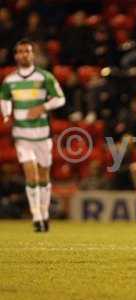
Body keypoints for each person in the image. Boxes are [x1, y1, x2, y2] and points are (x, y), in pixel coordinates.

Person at [0, 39, 65, 232]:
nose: (23, 55)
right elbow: (4, 99)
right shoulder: (9, 80)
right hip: (22, 135)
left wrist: (42, 106)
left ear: (32, 54)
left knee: (44, 176)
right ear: (15, 55)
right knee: (30, 173)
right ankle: (36, 216)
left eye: (27, 51)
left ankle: (45, 213)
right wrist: (6, 114)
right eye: (20, 52)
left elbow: (60, 98)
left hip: (42, 135)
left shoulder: (45, 77)